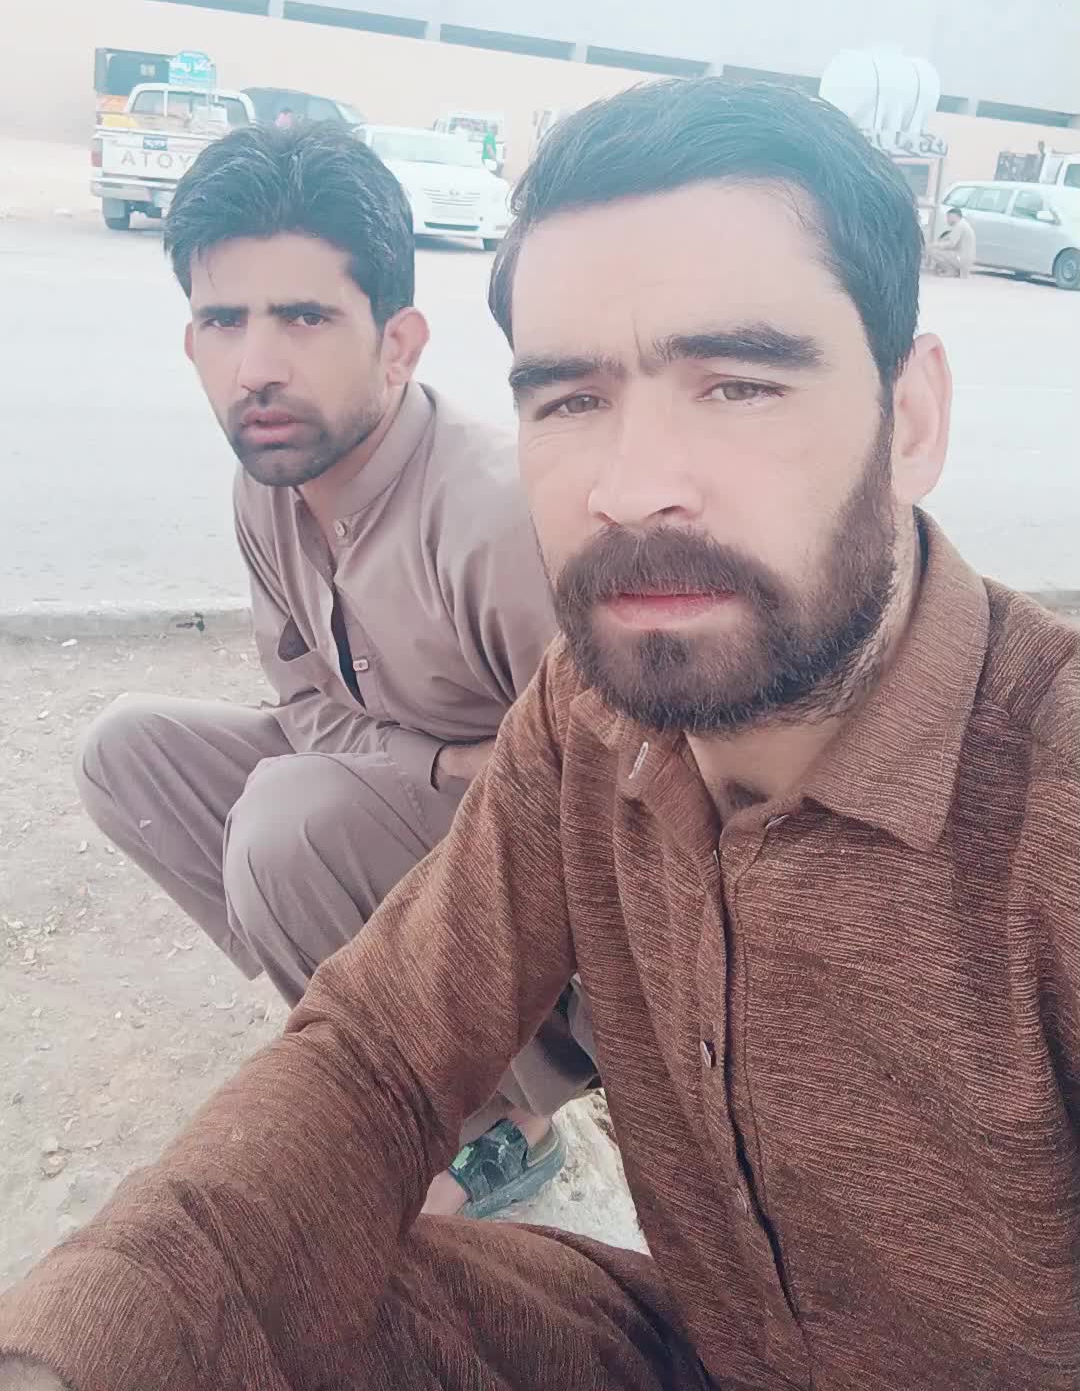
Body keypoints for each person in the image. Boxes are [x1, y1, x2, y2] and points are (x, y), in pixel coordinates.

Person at [3, 80, 1078, 1391]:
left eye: (738, 385)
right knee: (255, 1301)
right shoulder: (590, 711)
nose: (631, 489)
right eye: (569, 400)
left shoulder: (1050, 805)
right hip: (702, 1342)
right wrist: (76, 1349)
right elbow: (377, 1050)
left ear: (910, 419)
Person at [71, 123, 594, 1223]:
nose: (256, 366)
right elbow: (305, 700)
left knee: (287, 824)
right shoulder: (268, 481)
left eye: (304, 318)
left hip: (546, 896)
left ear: (398, 343)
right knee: (126, 751)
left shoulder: (495, 516)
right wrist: (435, 764)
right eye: (225, 321)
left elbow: (607, 798)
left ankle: (502, 1120)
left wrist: (431, 779)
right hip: (414, 795)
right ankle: (360, 1031)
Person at [924, 202, 976, 276]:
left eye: (948, 217)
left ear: (954, 216)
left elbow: (951, 244)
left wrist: (934, 245)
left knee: (933, 251)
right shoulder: (963, 224)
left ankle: (950, 271)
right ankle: (952, 270)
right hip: (964, 258)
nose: (947, 220)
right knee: (938, 249)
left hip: (961, 259)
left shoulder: (959, 226)